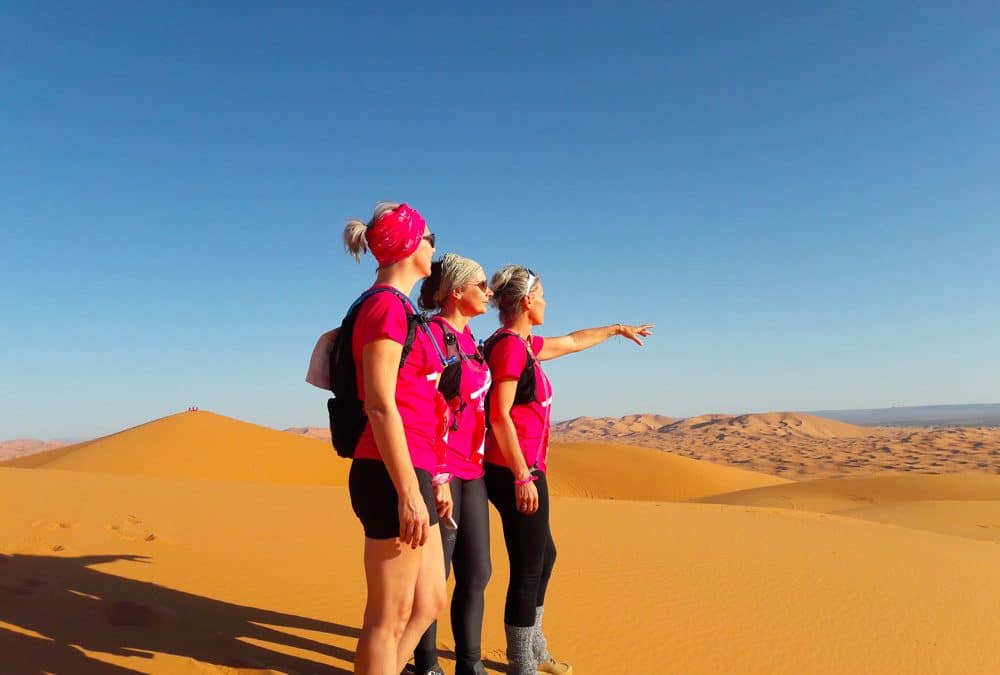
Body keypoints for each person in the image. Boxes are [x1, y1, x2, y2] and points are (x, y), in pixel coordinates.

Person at [483, 264, 653, 675]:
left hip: (525, 467)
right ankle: (521, 664)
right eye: (542, 296)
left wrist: (616, 329)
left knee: (544, 557)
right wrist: (523, 475)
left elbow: (575, 341)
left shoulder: (522, 344)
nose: (546, 302)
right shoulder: (508, 346)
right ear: (526, 302)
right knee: (527, 569)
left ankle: (534, 648)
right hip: (513, 469)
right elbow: (499, 415)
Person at [342, 201, 449, 675]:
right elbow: (381, 404)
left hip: (414, 468)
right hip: (389, 473)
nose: (434, 247)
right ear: (409, 246)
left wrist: (430, 481)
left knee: (428, 603)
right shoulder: (385, 307)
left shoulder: (401, 308)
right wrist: (409, 492)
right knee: (388, 617)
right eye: (430, 238)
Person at [410, 254, 495, 675]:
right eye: (482, 284)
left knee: (478, 571)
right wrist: (438, 476)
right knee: (434, 576)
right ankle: (425, 663)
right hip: (439, 472)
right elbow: (422, 411)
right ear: (458, 291)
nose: (489, 291)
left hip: (473, 472)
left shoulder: (475, 345)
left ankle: (469, 663)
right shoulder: (430, 336)